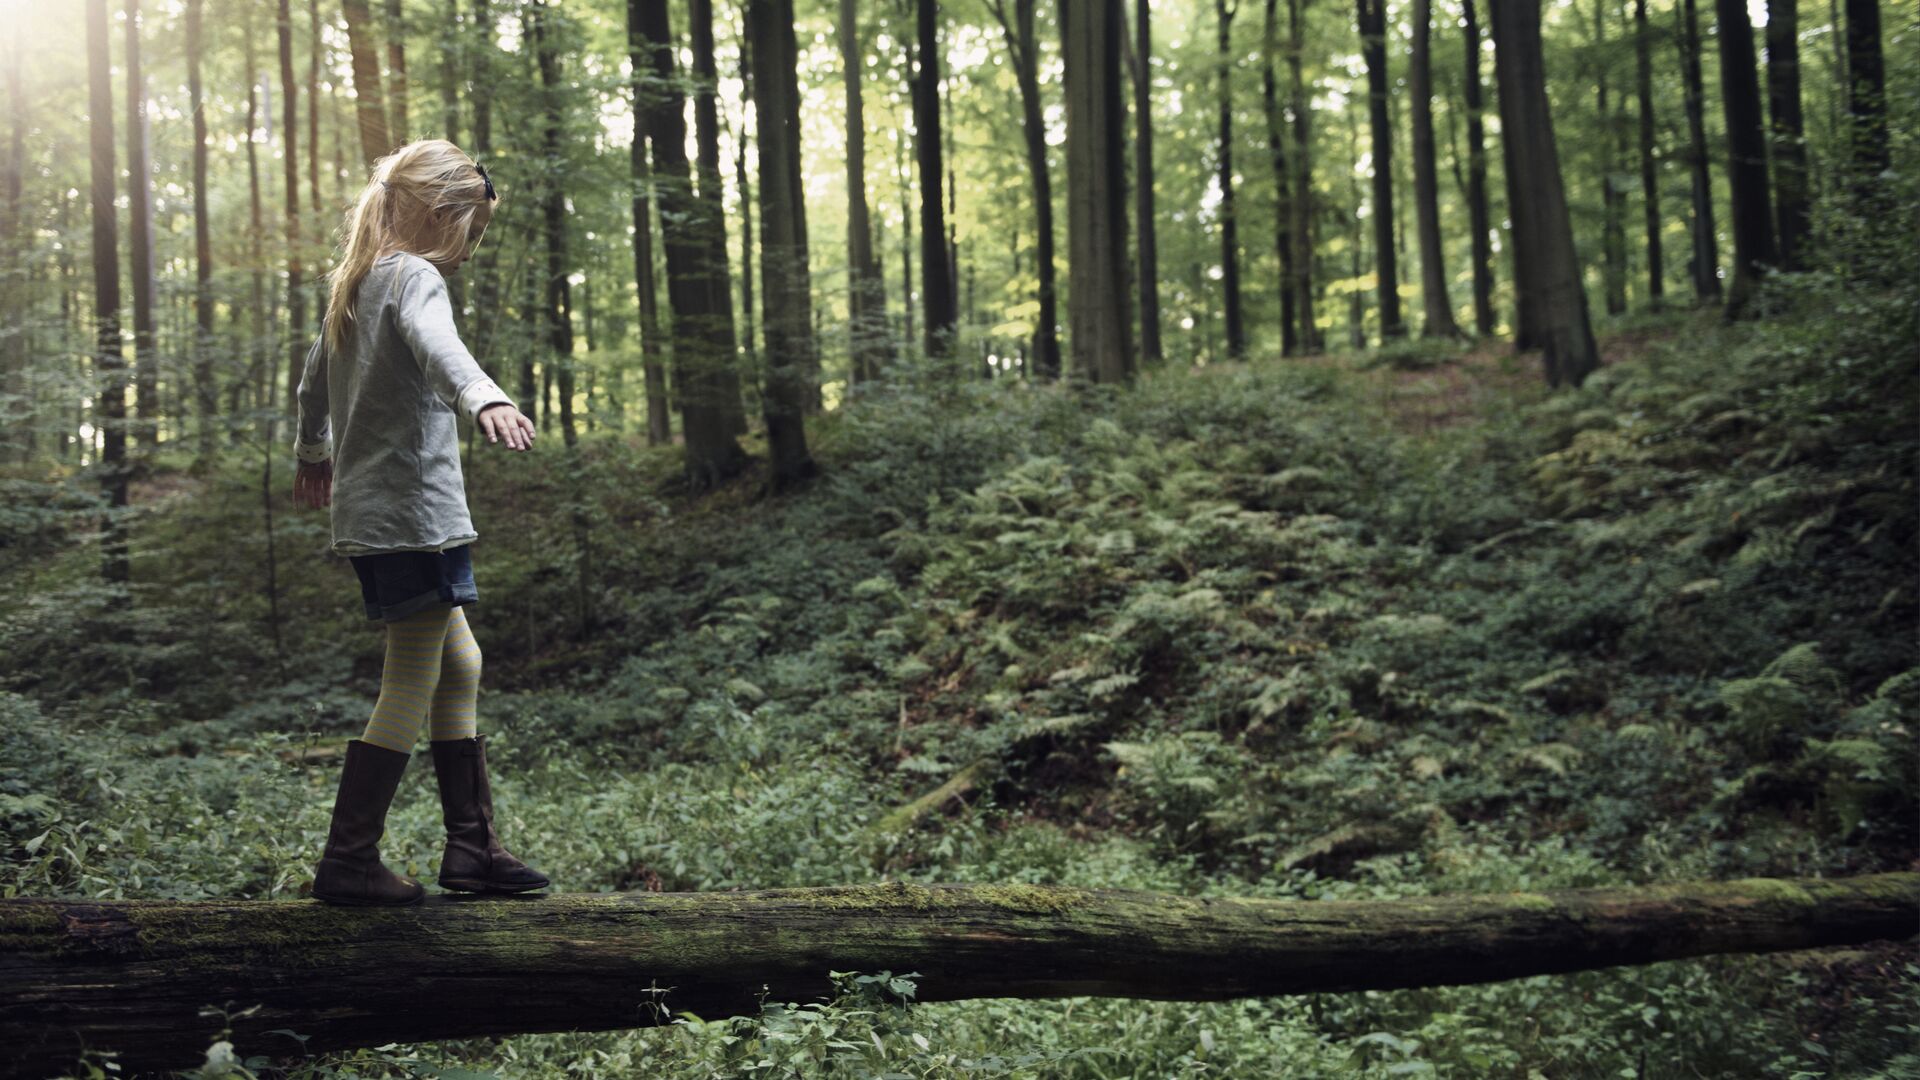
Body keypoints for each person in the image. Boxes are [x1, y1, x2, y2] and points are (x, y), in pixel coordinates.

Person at [292, 139, 549, 906]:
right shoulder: (414, 277)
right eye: (472, 231)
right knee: (411, 674)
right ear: (442, 214)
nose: (471, 248)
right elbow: (442, 348)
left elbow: (311, 378)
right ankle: (349, 860)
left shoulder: (359, 281)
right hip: (416, 516)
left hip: (377, 516)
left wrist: (313, 451)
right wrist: (486, 397)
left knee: (459, 663)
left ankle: (473, 850)